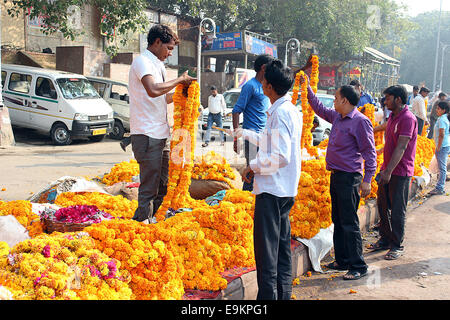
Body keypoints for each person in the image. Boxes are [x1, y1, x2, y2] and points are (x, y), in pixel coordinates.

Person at [227, 59, 302, 300]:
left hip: (272, 191)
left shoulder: (280, 113)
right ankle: (283, 295)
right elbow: (271, 141)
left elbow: (280, 155)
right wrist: (245, 133)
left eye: (264, 82)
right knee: (280, 250)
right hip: (283, 189)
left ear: (268, 86)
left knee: (267, 252)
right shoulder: (287, 110)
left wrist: (253, 166)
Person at [302, 77, 377, 280]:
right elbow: (318, 107)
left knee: (349, 222)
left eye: (336, 98)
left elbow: (370, 153)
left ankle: (358, 265)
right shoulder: (337, 117)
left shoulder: (361, 122)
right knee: (338, 219)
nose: (333, 102)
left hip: (350, 177)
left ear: (345, 101)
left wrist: (368, 179)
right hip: (336, 176)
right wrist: (306, 86)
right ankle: (342, 260)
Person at [128, 24, 195, 222]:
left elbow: (162, 97)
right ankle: (141, 223)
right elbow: (153, 90)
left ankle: (157, 220)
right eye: (168, 48)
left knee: (164, 183)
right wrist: (179, 79)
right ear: (157, 42)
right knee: (149, 186)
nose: (169, 53)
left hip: (161, 133)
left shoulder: (157, 65)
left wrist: (184, 95)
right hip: (146, 134)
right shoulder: (142, 62)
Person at [369, 85, 418, 261]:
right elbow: (390, 139)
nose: (385, 101)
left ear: (398, 99)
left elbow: (402, 146)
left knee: (397, 209)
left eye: (388, 98)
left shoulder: (408, 118)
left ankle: (397, 245)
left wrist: (388, 171)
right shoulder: (393, 117)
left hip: (400, 172)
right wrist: (380, 151)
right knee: (382, 205)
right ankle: (385, 239)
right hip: (386, 169)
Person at [232, 54, 273, 191]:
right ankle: (244, 202)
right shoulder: (250, 86)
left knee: (262, 172)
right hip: (252, 137)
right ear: (263, 68)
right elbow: (236, 111)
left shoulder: (267, 86)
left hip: (264, 136)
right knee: (252, 171)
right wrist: (236, 139)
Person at [429, 101, 450, 195]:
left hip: (442, 146)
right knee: (442, 167)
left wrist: (438, 147)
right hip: (444, 145)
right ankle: (440, 186)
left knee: (442, 168)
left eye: (438, 109)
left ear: (443, 110)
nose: (436, 110)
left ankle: (440, 188)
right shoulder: (444, 118)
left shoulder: (442, 119)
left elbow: (441, 134)